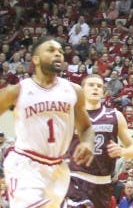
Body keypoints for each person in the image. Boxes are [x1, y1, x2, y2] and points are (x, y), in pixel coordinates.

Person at [0, 37, 95, 208]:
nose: (58, 53)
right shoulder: (18, 90)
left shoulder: (74, 91)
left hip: (58, 168)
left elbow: (86, 127)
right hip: (25, 165)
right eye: (51, 50)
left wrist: (88, 143)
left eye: (60, 51)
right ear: (35, 59)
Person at [66, 74, 133, 208]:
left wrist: (121, 151)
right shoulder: (71, 115)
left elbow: (132, 150)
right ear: (82, 91)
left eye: (99, 86)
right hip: (76, 177)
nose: (96, 88)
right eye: (91, 85)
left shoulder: (115, 116)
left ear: (103, 92)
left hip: (102, 183)